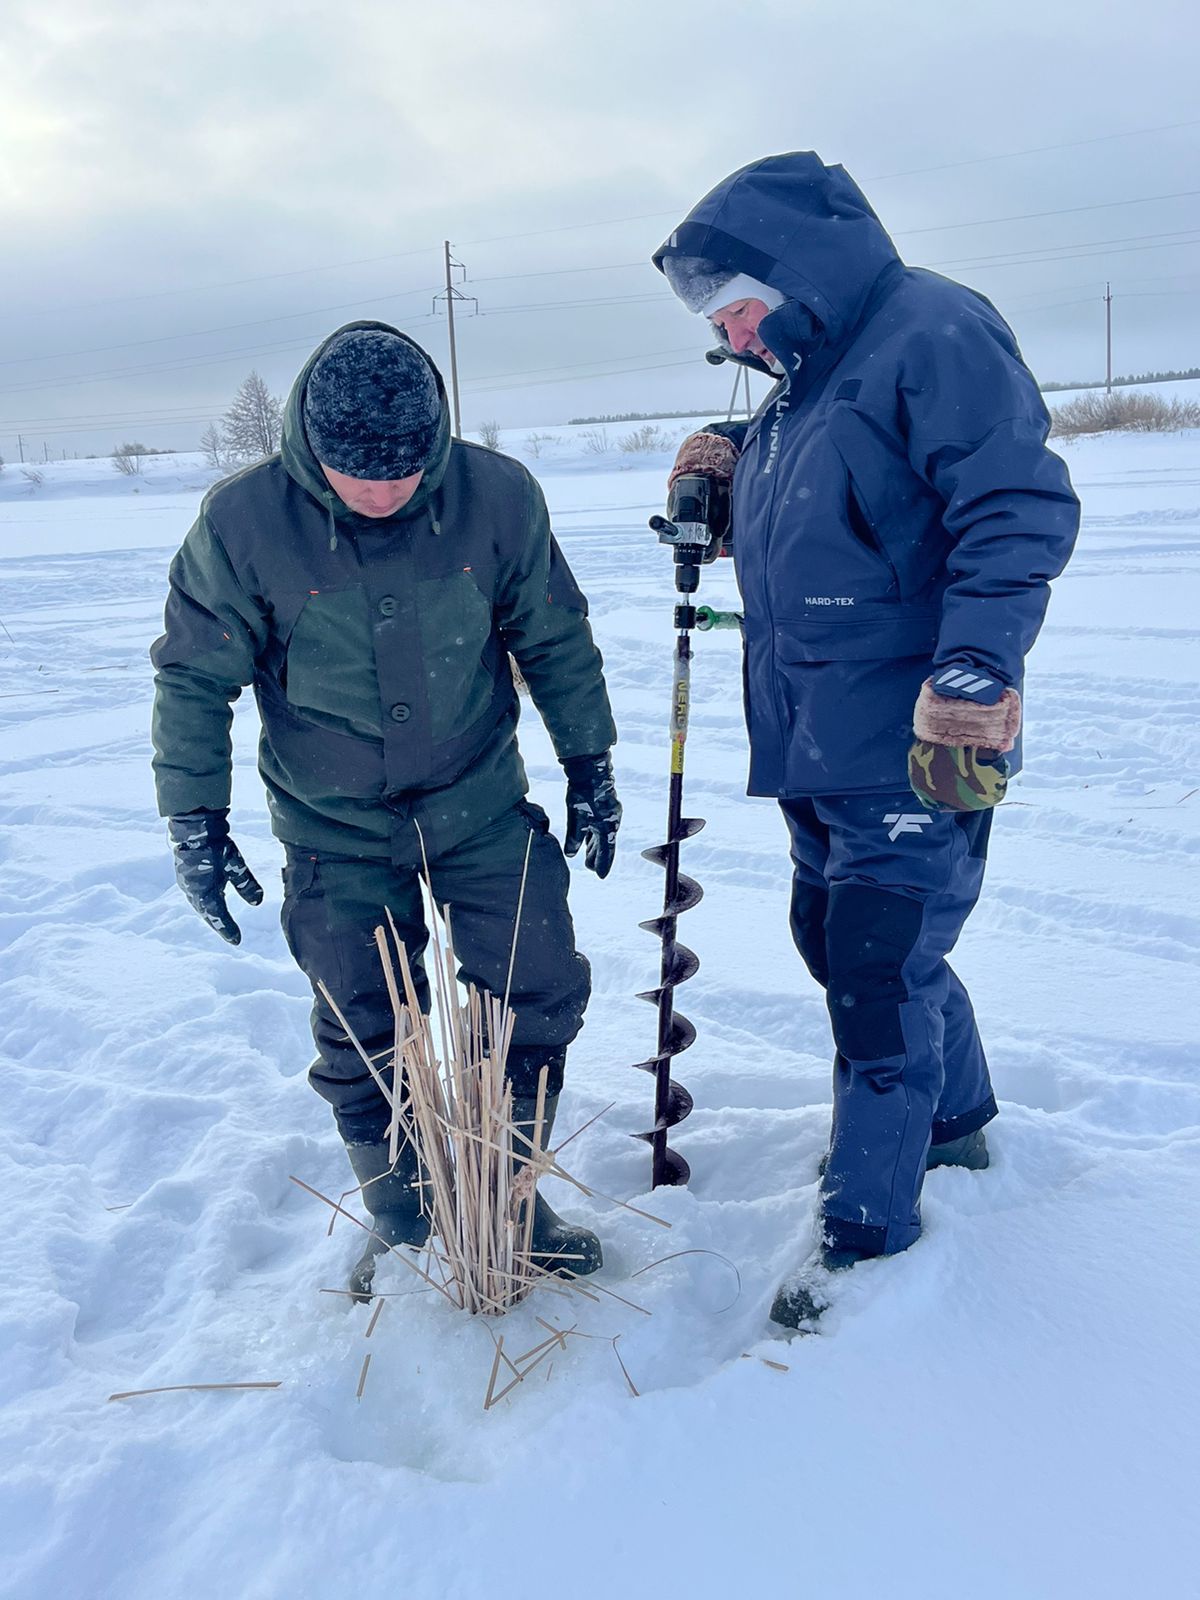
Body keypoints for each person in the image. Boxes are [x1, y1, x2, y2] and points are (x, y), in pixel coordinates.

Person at [653, 153, 1080, 1330]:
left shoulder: (929, 332)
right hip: (817, 740)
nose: (731, 333)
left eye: (736, 302)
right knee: (836, 941)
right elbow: (841, 533)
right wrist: (721, 481)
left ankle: (866, 1243)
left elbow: (1015, 506)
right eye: (716, 319)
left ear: (795, 270)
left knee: (877, 979)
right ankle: (957, 1123)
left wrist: (976, 666)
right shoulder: (800, 386)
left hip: (915, 738)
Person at [151, 320, 621, 1298]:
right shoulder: (243, 525)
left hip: (479, 804)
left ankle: (511, 1202)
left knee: (535, 981)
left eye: (406, 471)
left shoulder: (497, 498)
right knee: (365, 1022)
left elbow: (555, 636)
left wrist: (590, 760)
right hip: (335, 828)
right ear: (310, 447)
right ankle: (405, 1218)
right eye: (357, 474)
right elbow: (195, 678)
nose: (384, 493)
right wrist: (195, 815)